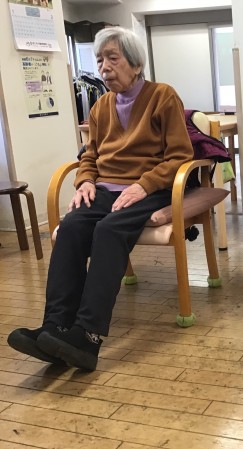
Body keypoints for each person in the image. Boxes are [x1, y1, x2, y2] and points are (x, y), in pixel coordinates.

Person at [7, 26, 193, 371]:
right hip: (106, 190)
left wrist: (144, 185)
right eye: (99, 60)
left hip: (149, 189)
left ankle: (88, 336)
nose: (104, 68)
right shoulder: (101, 106)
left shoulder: (163, 96)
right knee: (72, 227)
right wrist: (85, 181)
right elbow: (89, 155)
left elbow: (180, 156)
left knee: (109, 230)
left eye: (113, 58)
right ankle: (55, 327)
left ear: (135, 64)